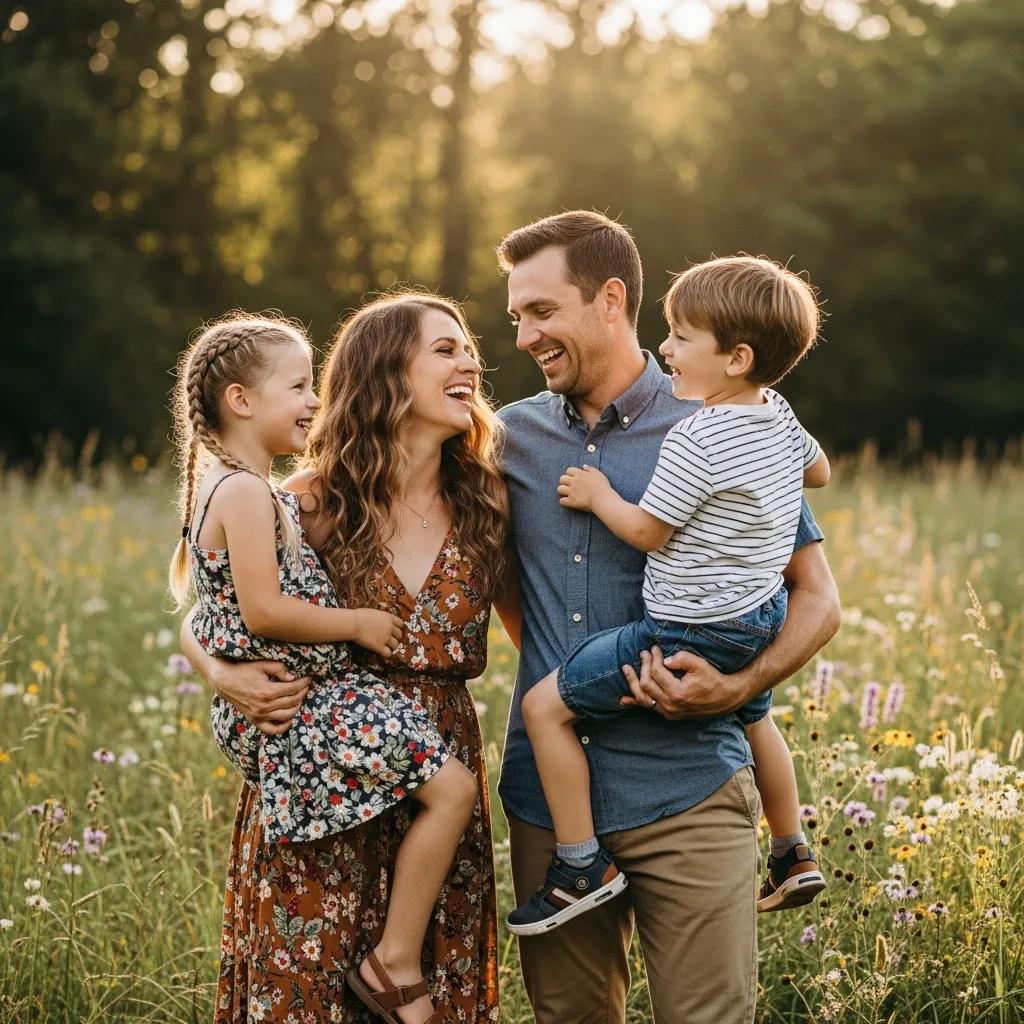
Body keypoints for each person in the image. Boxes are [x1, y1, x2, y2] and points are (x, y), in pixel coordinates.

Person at [495, 211, 841, 1024]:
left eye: (542, 311)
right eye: (516, 316)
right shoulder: (506, 438)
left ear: (610, 299)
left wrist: (738, 687)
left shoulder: (723, 424)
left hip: (687, 792)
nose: (522, 336)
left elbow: (818, 599)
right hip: (548, 809)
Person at [177, 296, 507, 1024]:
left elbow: (542, 629)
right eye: (446, 350)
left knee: (428, 988)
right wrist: (224, 676)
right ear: (388, 374)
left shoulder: (488, 500)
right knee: (307, 991)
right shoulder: (305, 500)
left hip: (438, 762)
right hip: (321, 772)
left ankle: (397, 961)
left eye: (468, 348)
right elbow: (213, 610)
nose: (472, 363)